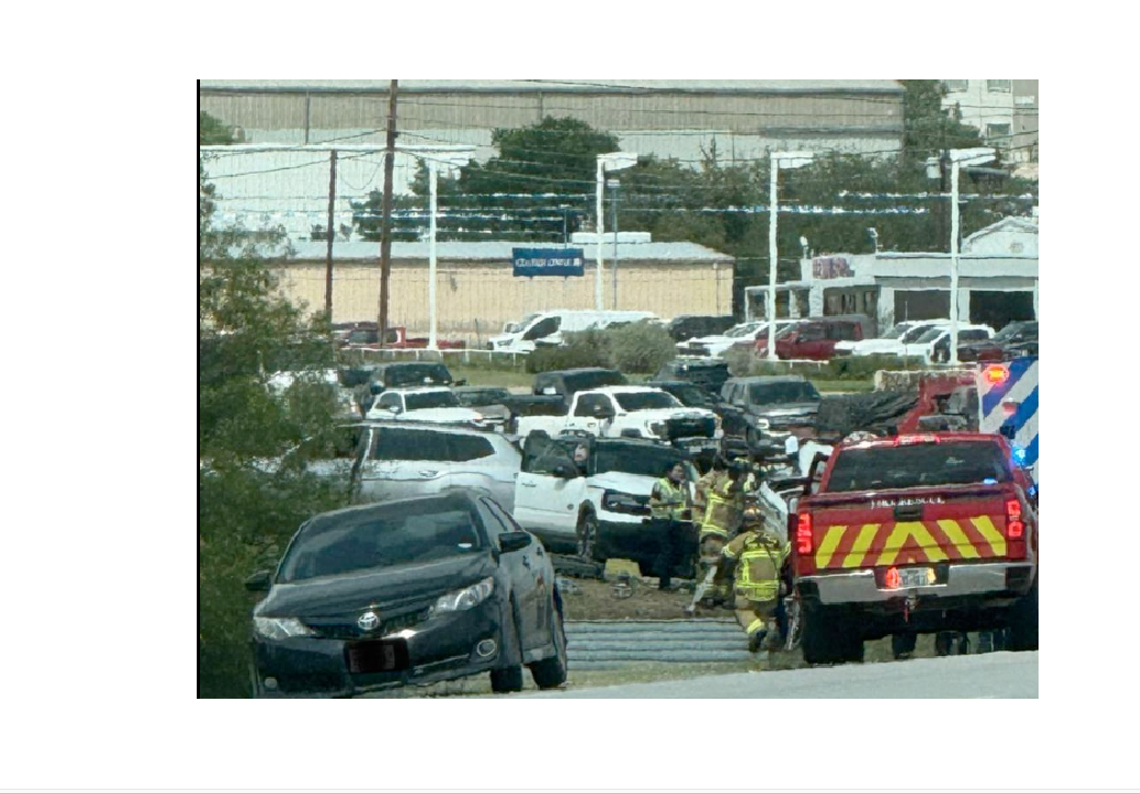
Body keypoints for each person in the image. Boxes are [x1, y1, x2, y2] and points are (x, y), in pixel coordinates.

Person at [716, 506, 790, 653]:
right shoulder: (776, 539)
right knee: (763, 612)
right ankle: (760, 640)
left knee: (743, 610)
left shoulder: (742, 539)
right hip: (772, 589)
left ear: (745, 522)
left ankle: (756, 631)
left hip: (748, 589)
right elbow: (787, 557)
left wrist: (720, 579)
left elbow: (726, 558)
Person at [694, 460, 751, 606]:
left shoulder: (719, 484)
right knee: (717, 565)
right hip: (719, 533)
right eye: (744, 474)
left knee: (717, 565)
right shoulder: (733, 488)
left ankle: (713, 596)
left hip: (715, 532)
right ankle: (710, 597)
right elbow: (735, 498)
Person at [648, 461, 693, 591]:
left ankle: (666, 578)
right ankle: (663, 581)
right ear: (669, 472)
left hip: (676, 522)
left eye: (681, 471)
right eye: (677, 471)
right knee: (666, 550)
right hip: (661, 520)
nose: (680, 474)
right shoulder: (660, 484)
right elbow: (653, 501)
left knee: (675, 550)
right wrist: (667, 503)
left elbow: (686, 503)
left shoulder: (682, 486)